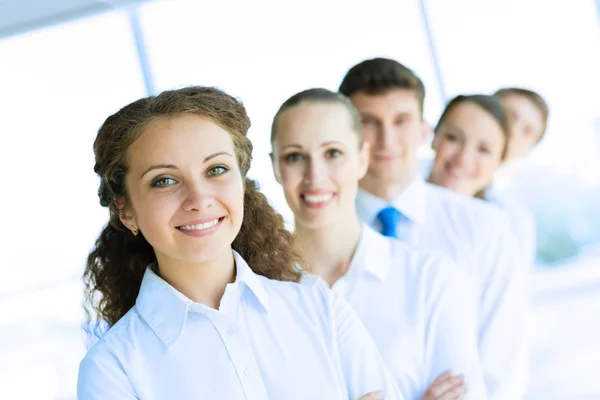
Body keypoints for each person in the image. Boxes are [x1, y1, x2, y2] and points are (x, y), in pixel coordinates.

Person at [77, 86, 403, 400]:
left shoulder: (319, 308)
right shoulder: (112, 370)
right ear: (126, 209)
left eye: (216, 169)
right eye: (164, 180)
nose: (199, 198)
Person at [270, 88, 486, 400]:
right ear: (276, 166)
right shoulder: (257, 291)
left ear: (362, 158)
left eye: (333, 153)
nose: (315, 176)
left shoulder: (430, 277)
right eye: (294, 157)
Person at [339, 58, 530, 399]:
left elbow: (503, 367)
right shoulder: (323, 235)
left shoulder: (484, 228)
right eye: (368, 122)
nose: (386, 139)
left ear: (424, 130)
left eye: (401, 121)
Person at [427, 95, 536, 266]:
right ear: (433, 137)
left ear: (501, 160)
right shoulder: (389, 208)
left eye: (483, 150)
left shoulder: (503, 230)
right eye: (453, 138)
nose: (463, 159)